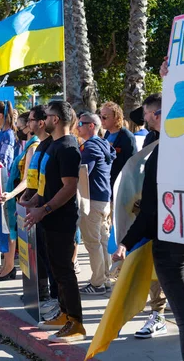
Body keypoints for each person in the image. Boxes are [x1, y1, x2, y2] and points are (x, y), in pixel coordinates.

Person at [113, 94, 184, 360]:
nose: (143, 119)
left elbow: (150, 209)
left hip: (171, 244)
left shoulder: (163, 151)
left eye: (146, 114)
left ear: (159, 114)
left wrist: (126, 241)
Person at [21, 101, 85, 343]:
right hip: (48, 217)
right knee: (56, 270)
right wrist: (34, 200)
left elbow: (69, 187)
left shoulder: (68, 147)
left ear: (55, 120)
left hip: (61, 219)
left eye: (46, 116)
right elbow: (50, 184)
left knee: (65, 272)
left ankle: (76, 323)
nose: (42, 120)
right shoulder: (53, 145)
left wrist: (44, 209)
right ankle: (64, 313)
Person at [76, 112, 116, 295]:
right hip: (103, 199)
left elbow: (83, 174)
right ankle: (106, 278)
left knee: (93, 243)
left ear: (91, 126)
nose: (77, 127)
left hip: (92, 201)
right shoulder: (103, 143)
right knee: (103, 241)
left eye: (81, 124)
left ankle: (98, 282)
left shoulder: (90, 147)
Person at [0, 112, 40, 280]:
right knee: (11, 234)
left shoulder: (33, 147)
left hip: (23, 199)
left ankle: (10, 269)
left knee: (19, 238)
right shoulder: (27, 145)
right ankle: (8, 267)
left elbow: (27, 180)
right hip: (18, 198)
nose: (18, 130)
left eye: (20, 126)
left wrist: (11, 195)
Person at [0, 100, 19, 280]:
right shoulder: (4, 133)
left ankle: (8, 266)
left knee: (7, 228)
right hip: (2, 183)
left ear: (1, 115)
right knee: (3, 228)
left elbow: (4, 161)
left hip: (5, 184)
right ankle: (7, 265)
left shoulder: (7, 135)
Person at [100, 101, 138, 193]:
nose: (101, 120)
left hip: (120, 186)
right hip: (108, 183)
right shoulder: (107, 134)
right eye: (100, 116)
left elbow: (132, 164)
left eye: (105, 117)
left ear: (116, 118)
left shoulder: (127, 137)